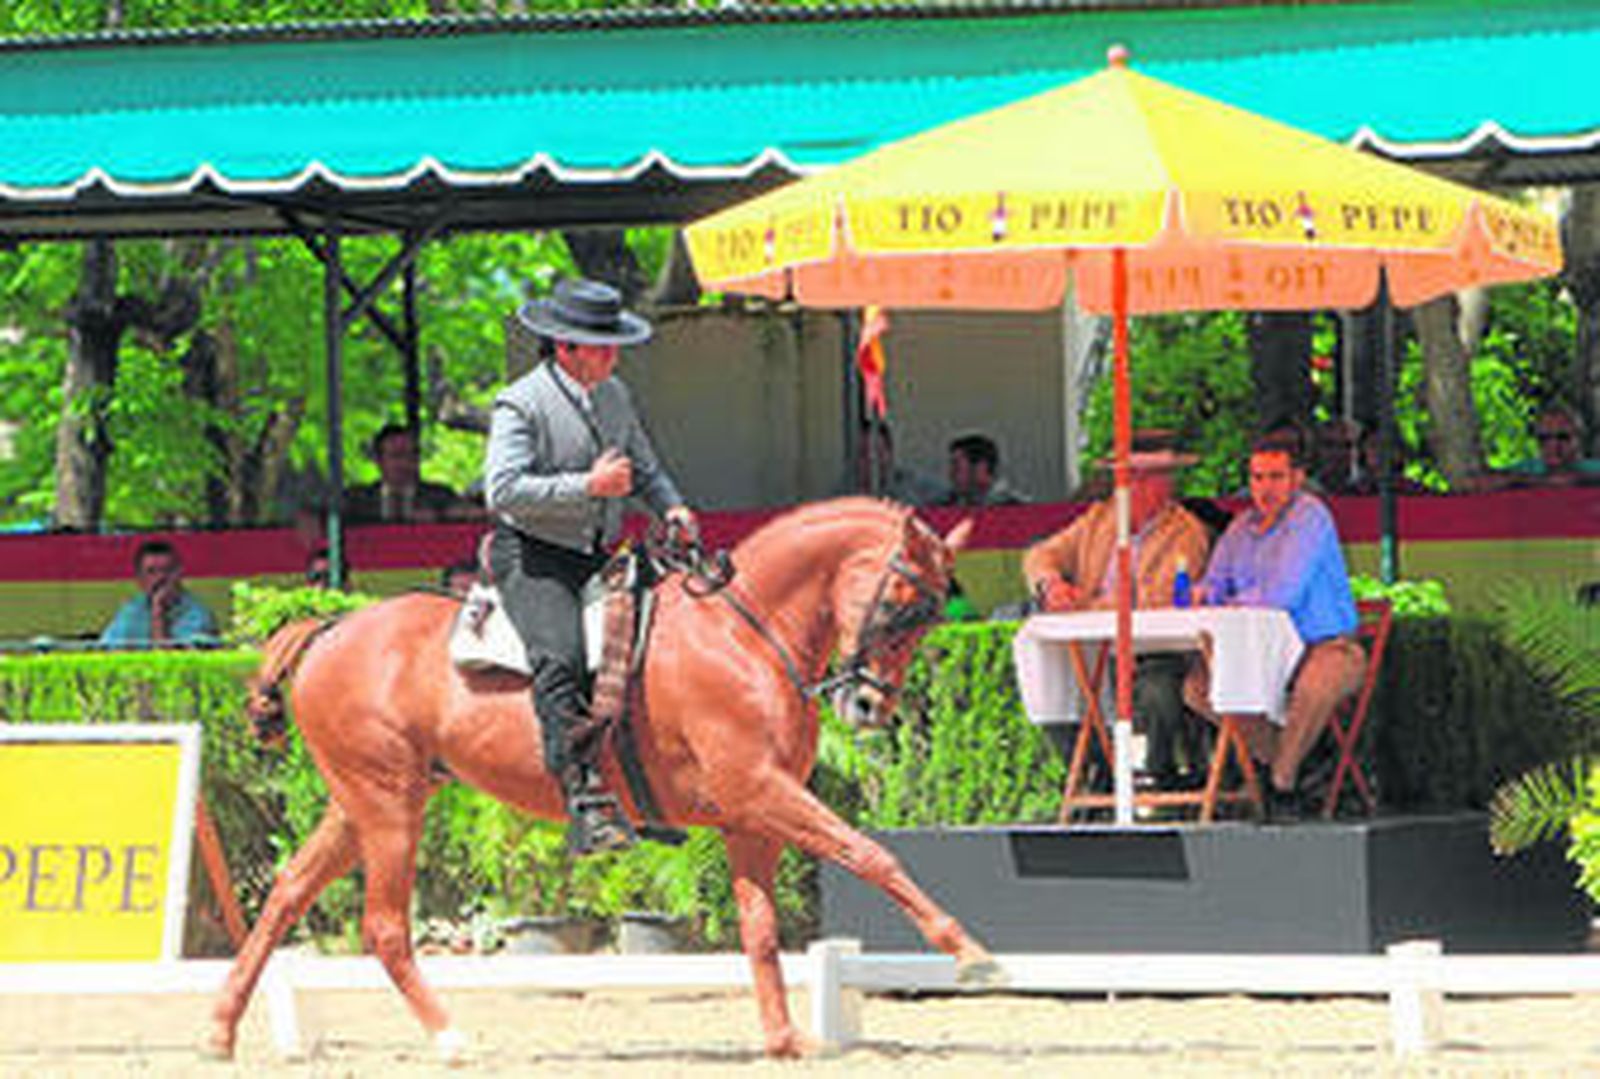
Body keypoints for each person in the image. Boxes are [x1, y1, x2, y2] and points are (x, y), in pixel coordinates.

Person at [484, 276, 698, 856]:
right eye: (599, 346)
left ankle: (644, 791)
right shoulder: (519, 403)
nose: (612, 355)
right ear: (564, 348)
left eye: (613, 344)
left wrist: (672, 505)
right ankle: (583, 799)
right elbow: (501, 490)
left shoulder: (616, 396)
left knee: (657, 649)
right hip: (533, 555)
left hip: (598, 554)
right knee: (561, 658)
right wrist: (589, 486)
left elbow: (646, 469)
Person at [1185, 427, 1366, 817]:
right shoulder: (1239, 527)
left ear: (1297, 479)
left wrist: (1228, 602)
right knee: (1198, 687)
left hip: (1326, 646)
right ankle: (1301, 761)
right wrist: (1202, 594)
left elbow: (1281, 593)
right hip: (1257, 651)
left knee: (1316, 684)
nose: (1265, 488)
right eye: (1257, 478)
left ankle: (1281, 783)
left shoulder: (1309, 515)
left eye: (1276, 477)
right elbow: (1214, 584)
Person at [1021, 430, 1213, 788]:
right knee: (1048, 672)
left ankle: (1159, 776)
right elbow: (1041, 554)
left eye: (1145, 478)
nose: (1132, 486)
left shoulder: (1186, 531)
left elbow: (1157, 600)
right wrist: (1051, 585)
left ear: (1165, 484)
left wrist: (1083, 605)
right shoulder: (1099, 519)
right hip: (1094, 646)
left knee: (1157, 692)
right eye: (1128, 477)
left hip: (1155, 652)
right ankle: (1096, 772)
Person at [100, 539, 220, 646]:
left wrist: (158, 613)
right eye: (151, 572)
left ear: (179, 573)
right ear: (139, 578)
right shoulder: (131, 610)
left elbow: (169, 662)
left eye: (167, 570)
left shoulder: (197, 616)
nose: (160, 578)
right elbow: (105, 650)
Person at [345, 423, 466, 524]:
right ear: (378, 460)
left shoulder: (440, 497)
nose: (405, 463)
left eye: (412, 455)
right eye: (396, 455)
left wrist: (439, 517)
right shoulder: (357, 500)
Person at [839, 420, 946, 505]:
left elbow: (949, 499)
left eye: (878, 453)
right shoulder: (846, 492)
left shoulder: (914, 484)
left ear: (890, 452)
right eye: (864, 453)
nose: (871, 460)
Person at [942, 432, 1029, 507]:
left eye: (957, 466)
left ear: (981, 467)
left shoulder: (1016, 508)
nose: (951, 473)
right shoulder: (948, 506)